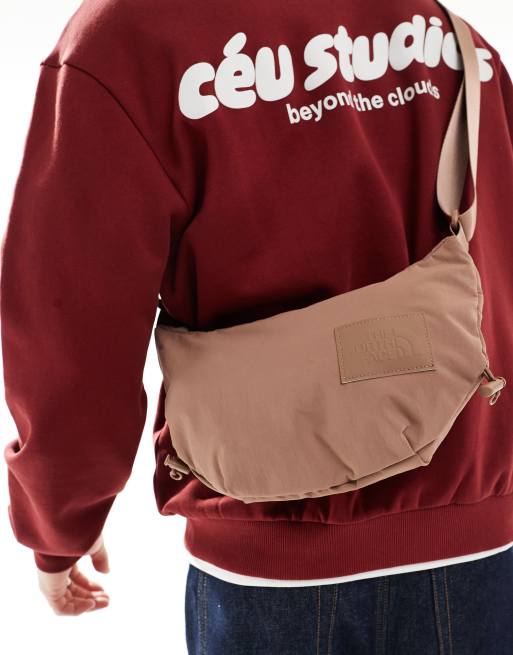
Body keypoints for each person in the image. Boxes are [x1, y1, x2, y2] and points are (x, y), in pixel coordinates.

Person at [1, 0, 513, 651]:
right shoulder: (446, 31)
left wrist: (58, 522)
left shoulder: (129, 37)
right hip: (481, 546)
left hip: (270, 562)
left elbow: (70, 322)